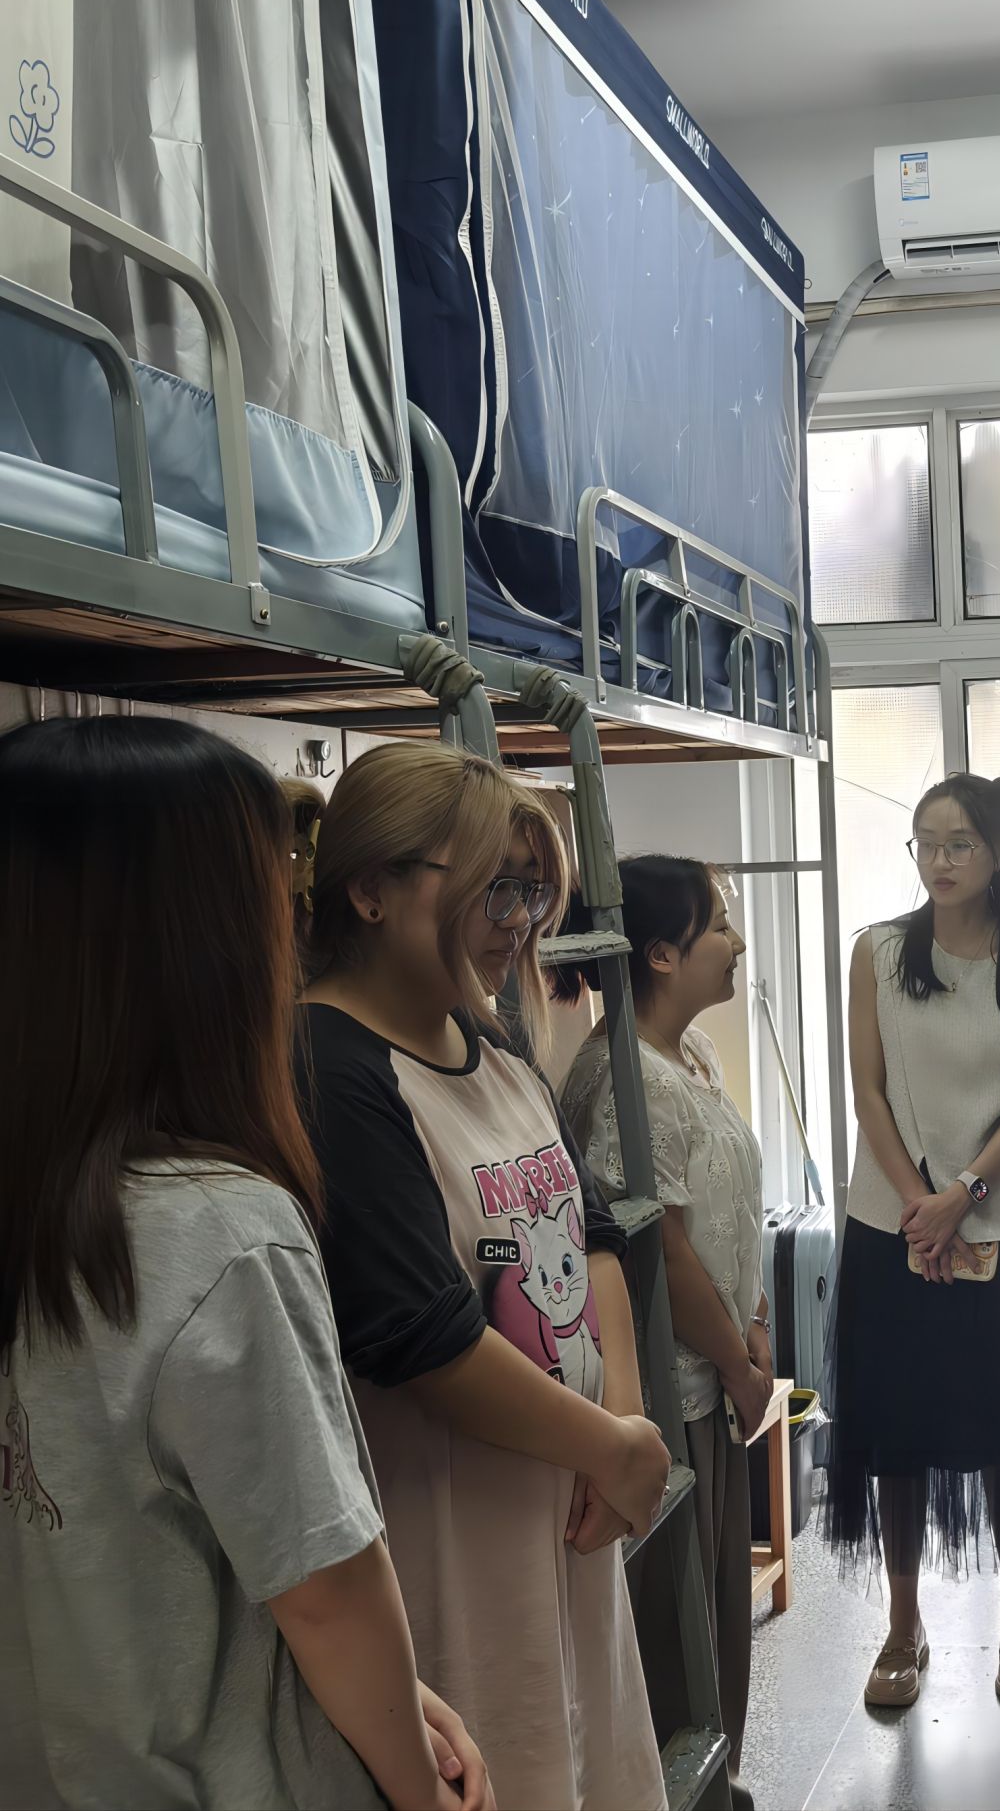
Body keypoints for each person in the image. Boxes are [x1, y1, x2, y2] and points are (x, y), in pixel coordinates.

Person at [0, 717, 490, 1811]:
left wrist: (394, 1693)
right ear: (202, 947)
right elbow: (325, 1590)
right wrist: (417, 1787)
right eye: (273, 900)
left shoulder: (44, 1200)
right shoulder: (221, 1233)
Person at [295, 740, 668, 1811]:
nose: (519, 920)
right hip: (454, 1558)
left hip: (571, 1525)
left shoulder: (491, 1044)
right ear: (370, 889)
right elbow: (424, 1338)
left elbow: (593, 1234)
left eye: (533, 892)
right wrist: (608, 1445)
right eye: (494, 888)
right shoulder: (333, 1067)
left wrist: (622, 1424)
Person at [825, 772, 1000, 1708]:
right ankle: (903, 1624)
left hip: (998, 1222)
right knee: (896, 1431)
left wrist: (961, 1196)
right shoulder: (880, 952)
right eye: (925, 842)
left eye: (959, 842)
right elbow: (868, 1093)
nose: (939, 859)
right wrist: (919, 1205)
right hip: (893, 1223)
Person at [557, 856, 768, 1811]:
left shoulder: (692, 1057)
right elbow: (662, 1254)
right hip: (671, 1388)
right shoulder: (624, 1081)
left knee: (717, 1609)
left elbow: (725, 1217)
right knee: (675, 1626)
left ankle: (720, 1783)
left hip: (718, 1371)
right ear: (661, 953)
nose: (735, 941)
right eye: (717, 924)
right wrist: (736, 1361)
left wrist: (754, 1326)